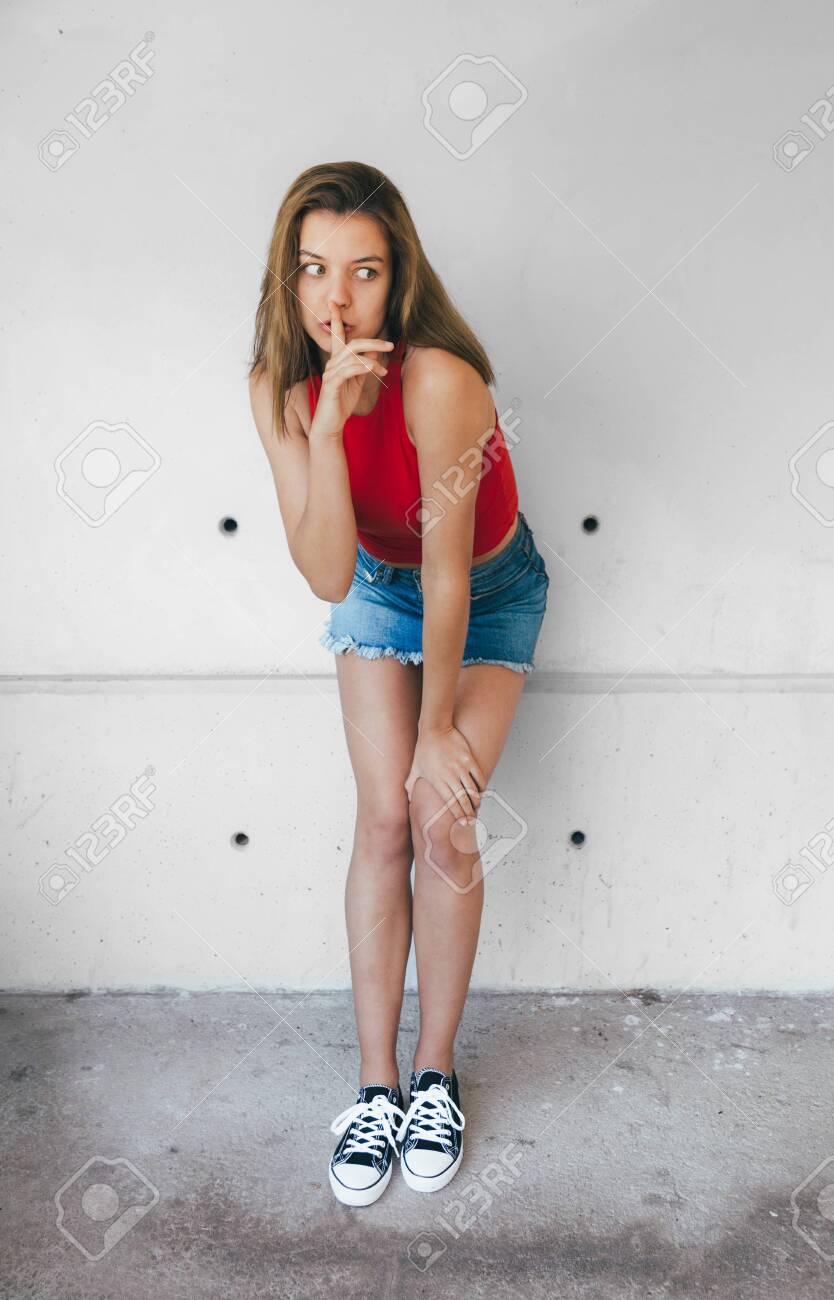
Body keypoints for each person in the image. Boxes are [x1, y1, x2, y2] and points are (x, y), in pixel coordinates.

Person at [248, 161, 549, 1207]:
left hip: (486, 589)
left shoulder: (440, 381)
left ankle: (434, 1075)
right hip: (376, 587)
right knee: (380, 822)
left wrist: (437, 735)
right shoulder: (276, 391)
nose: (338, 299)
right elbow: (332, 572)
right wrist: (326, 427)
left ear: (398, 277)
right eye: (315, 271)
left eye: (364, 272)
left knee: (439, 815)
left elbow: (450, 572)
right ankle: (375, 1087)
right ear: (287, 283)